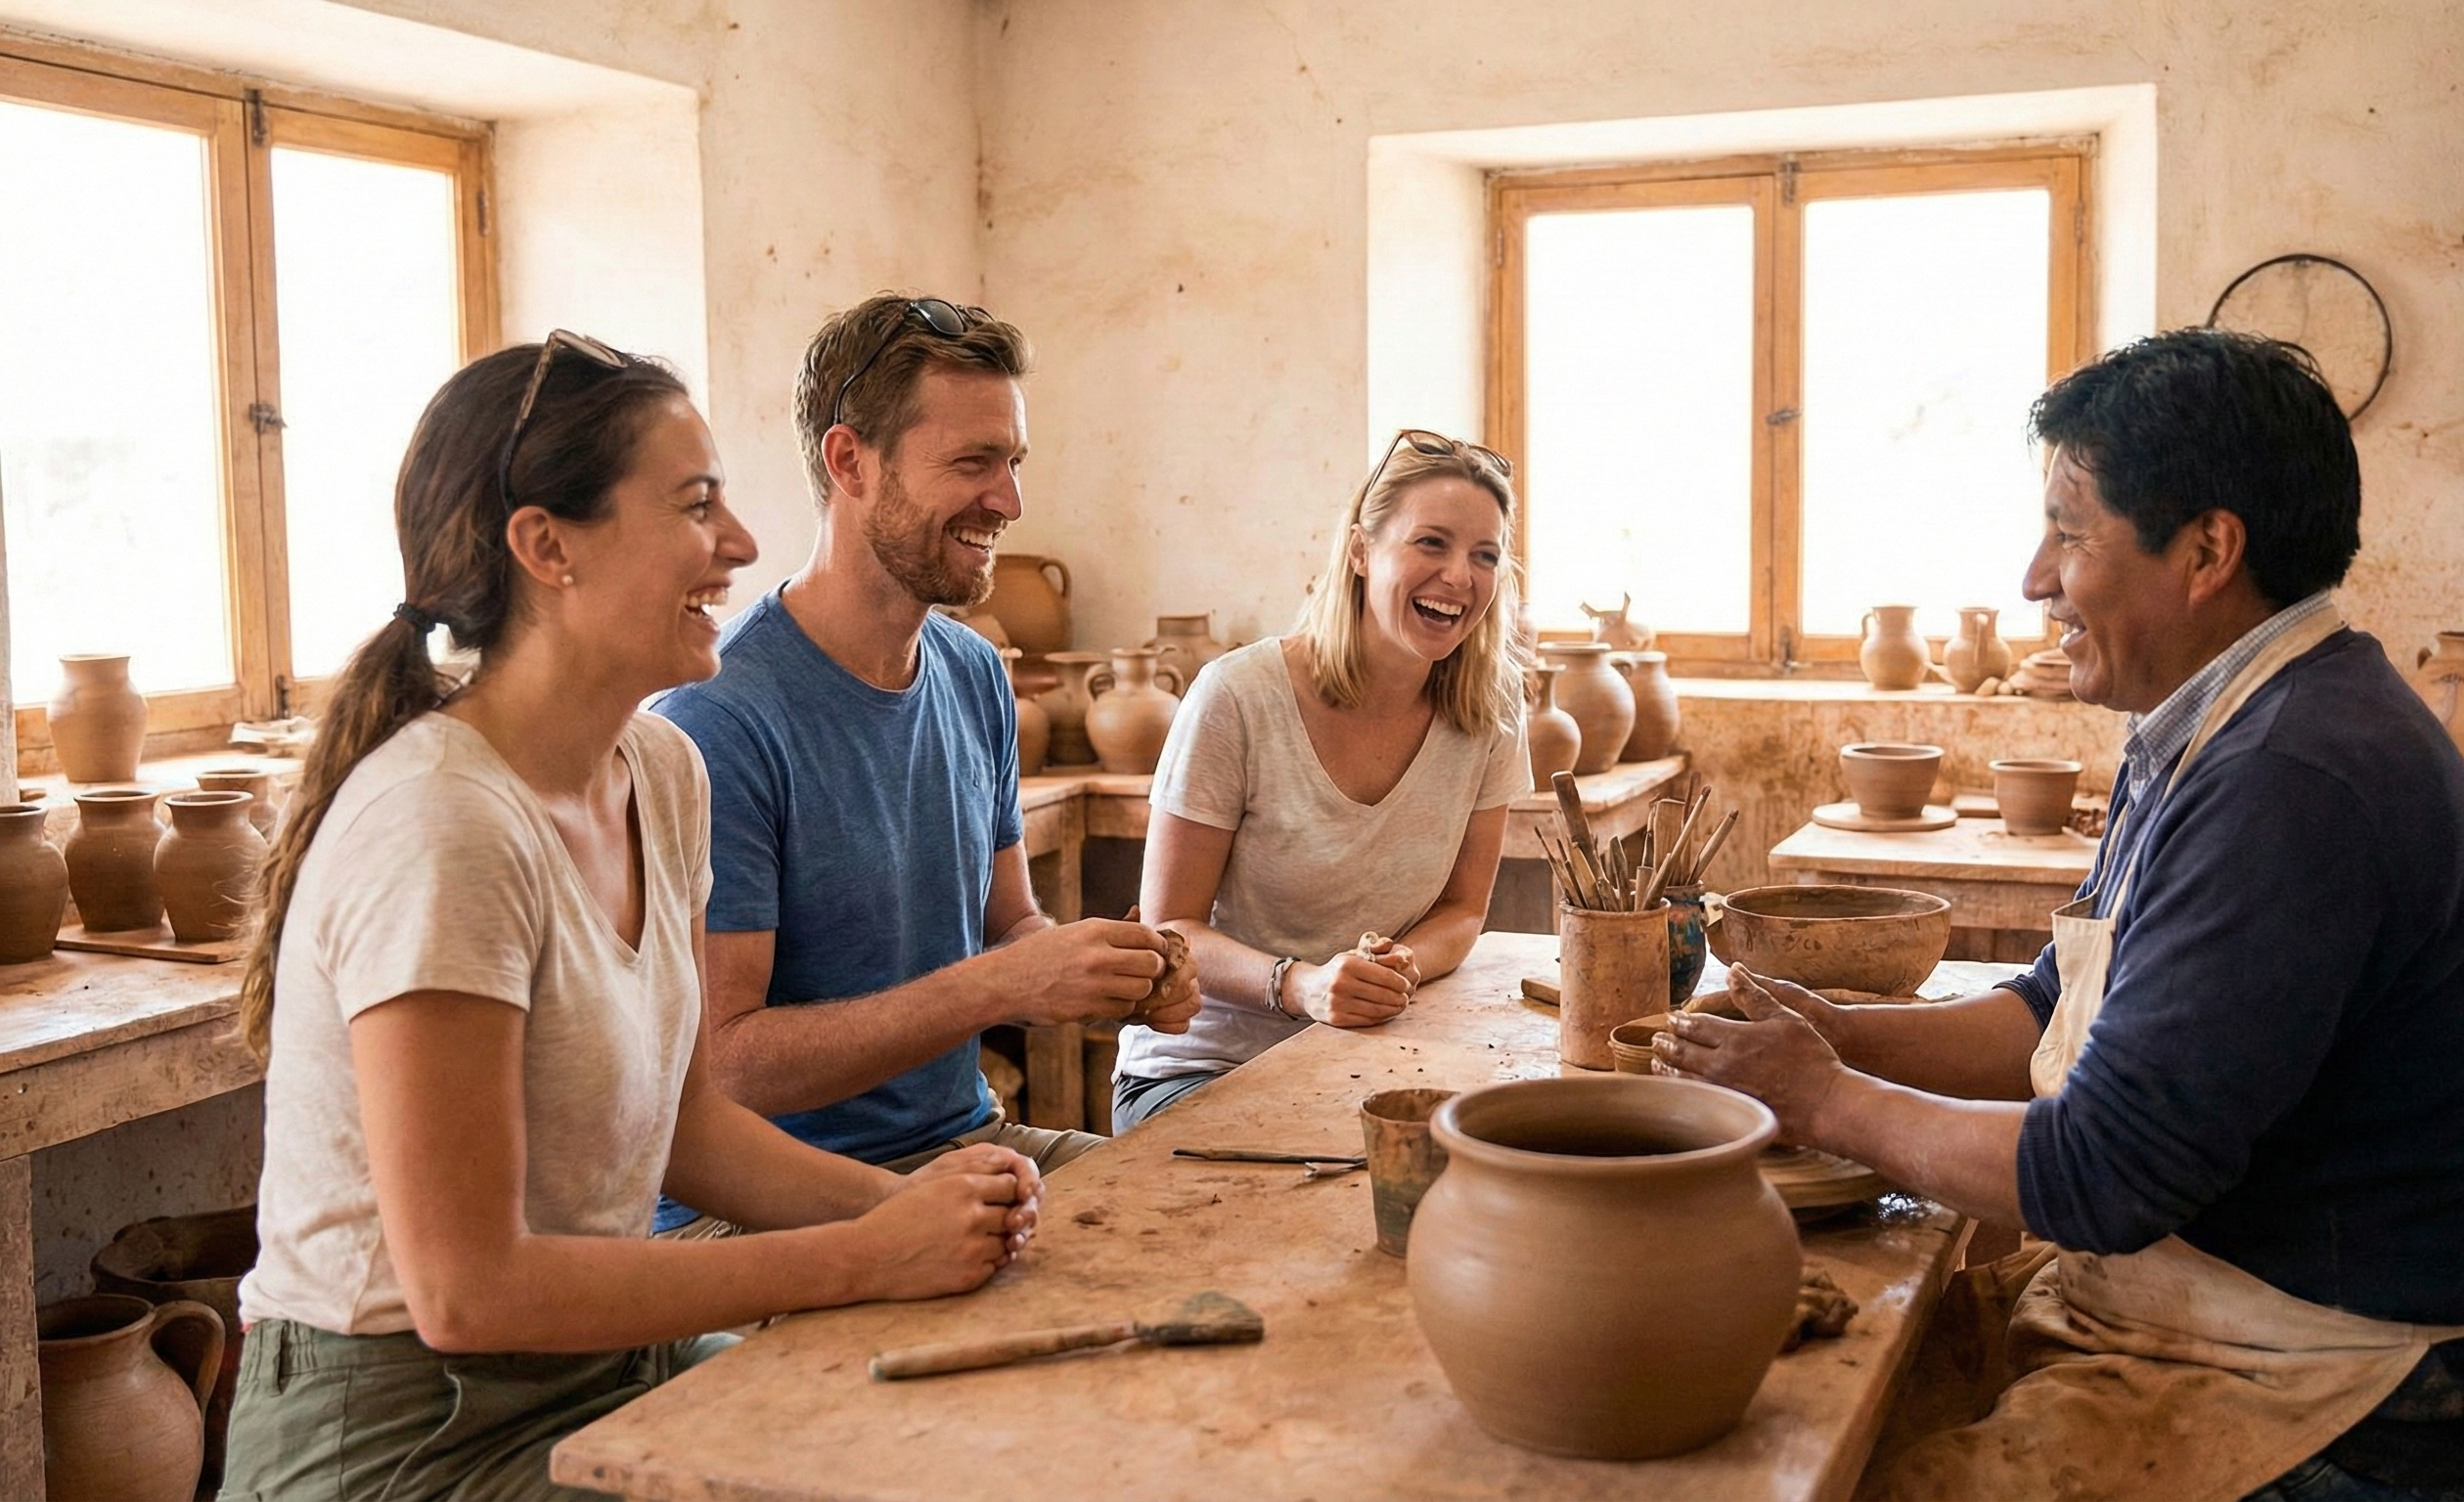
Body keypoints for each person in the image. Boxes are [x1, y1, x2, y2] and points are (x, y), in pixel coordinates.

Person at [1660, 331, 2464, 1502]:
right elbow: (2053, 1010)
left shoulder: (2288, 778)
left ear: (2206, 551)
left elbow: (2101, 1173)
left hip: (2357, 1405)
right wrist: (1839, 1036)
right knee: (1821, 1409)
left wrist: (1825, 1100)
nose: (2034, 579)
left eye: (2068, 535)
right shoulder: (2218, 722)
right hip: (2240, 1320)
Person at [223, 334, 1042, 1501]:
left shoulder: (658, 768)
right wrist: (860, 1256)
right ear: (546, 547)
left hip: (603, 1362)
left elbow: (682, 1127)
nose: (740, 543)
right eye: (695, 505)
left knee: (971, 1440)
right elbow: (465, 1293)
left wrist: (912, 1208)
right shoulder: (443, 824)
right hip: (406, 1427)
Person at [652, 294, 1195, 1236]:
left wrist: (1100, 971)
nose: (1010, 501)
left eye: (1014, 463)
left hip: (965, 1144)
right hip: (765, 1208)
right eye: (973, 463)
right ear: (850, 461)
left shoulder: (975, 672)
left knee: (1212, 1222)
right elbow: (726, 1067)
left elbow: (1010, 925)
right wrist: (1001, 985)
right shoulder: (717, 718)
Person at [1111, 429, 1531, 1130]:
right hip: (1203, 1069)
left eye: (1484, 555)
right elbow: (1169, 927)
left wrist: (1399, 967)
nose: (1460, 577)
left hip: (1365, 1061)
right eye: (1431, 543)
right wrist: (1301, 986)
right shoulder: (1237, 695)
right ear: (1361, 551)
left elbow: (1463, 909)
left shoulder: (1492, 705)